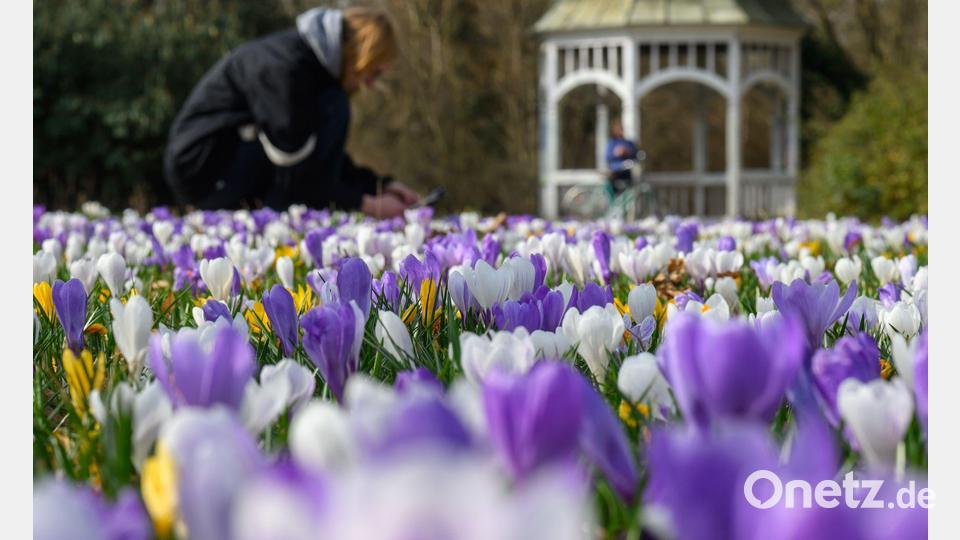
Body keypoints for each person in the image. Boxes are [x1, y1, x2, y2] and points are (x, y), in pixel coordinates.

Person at [163, 6, 420, 217]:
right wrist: (369, 205)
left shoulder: (307, 66)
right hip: (203, 172)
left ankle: (276, 214)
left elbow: (320, 159)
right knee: (334, 106)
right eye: (373, 72)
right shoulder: (286, 72)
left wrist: (380, 186)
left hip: (219, 160)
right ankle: (277, 218)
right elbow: (303, 176)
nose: (370, 85)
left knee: (331, 108)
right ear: (360, 56)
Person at [604, 119, 639, 197]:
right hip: (616, 171)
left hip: (627, 171)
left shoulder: (628, 143)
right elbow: (607, 157)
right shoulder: (611, 142)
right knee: (614, 192)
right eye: (618, 129)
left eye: (621, 129)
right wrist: (616, 153)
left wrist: (627, 152)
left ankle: (624, 207)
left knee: (628, 192)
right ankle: (614, 206)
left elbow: (636, 154)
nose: (620, 131)